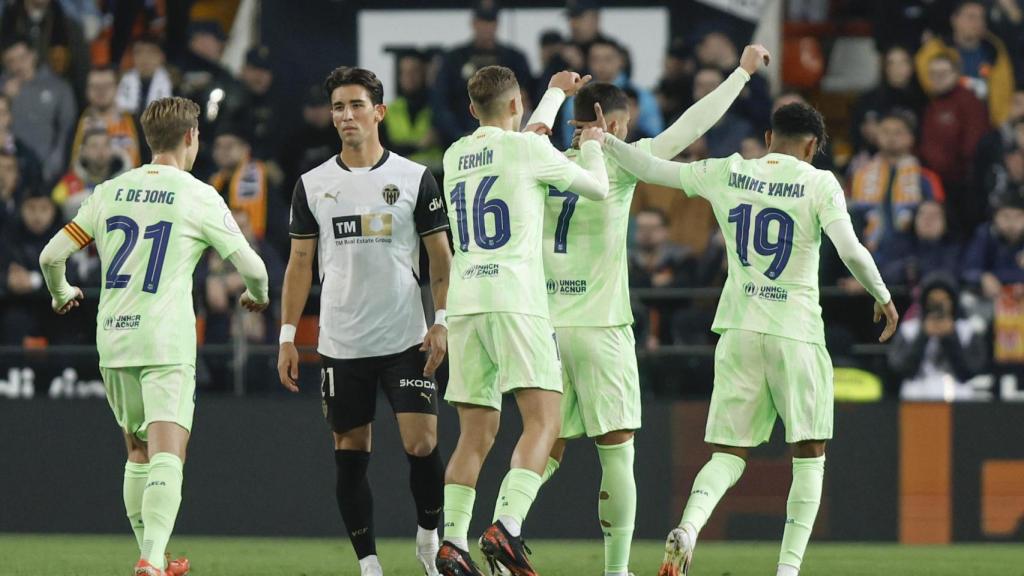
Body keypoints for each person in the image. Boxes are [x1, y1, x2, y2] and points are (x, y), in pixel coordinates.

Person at [598, 102, 898, 576]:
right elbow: (851, 250)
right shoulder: (820, 183)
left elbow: (652, 169)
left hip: (738, 329)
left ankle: (689, 528)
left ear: (769, 137)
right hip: (796, 332)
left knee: (728, 453)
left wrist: (606, 141)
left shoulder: (729, 171)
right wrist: (882, 295)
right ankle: (787, 570)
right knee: (810, 454)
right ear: (813, 147)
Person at [525, 45, 767, 576]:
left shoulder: (541, 163)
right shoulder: (619, 161)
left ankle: (503, 523)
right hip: (601, 325)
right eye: (626, 125)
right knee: (617, 451)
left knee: (544, 446)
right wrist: (742, 74)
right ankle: (617, 571)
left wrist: (550, 97)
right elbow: (690, 125)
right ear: (612, 124)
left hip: (544, 328)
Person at [37, 96, 270, 576]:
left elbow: (50, 257)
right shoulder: (197, 194)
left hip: (114, 338)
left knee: (137, 452)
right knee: (168, 454)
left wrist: (61, 293)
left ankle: (155, 556)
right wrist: (257, 295)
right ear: (191, 137)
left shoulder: (109, 191)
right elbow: (255, 268)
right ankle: (150, 561)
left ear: (147, 139)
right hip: (165, 341)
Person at [434, 65, 609, 576]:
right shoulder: (528, 150)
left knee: (474, 434)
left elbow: (525, 137)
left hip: (466, 303)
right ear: (515, 104)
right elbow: (597, 188)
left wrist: (554, 94)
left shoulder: (454, 154)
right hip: (515, 299)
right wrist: (594, 145)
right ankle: (506, 526)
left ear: (473, 110)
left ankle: (451, 542)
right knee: (545, 420)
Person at [276, 66, 452, 576]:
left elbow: (440, 258)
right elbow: (300, 264)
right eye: (338, 107)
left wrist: (442, 320)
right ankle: (369, 564)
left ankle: (428, 539)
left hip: (406, 338)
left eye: (356, 105)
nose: (346, 115)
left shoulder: (414, 177)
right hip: (342, 342)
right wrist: (287, 336)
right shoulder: (313, 184)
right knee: (351, 451)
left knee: (422, 443)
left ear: (379, 112)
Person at [431, 1, 532, 146]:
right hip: (461, 138)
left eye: (490, 22)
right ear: (473, 23)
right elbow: (440, 104)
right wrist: (460, 137)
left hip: (504, 140)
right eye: (482, 22)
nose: (486, 28)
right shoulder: (454, 59)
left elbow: (525, 101)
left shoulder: (515, 59)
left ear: (497, 24)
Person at [849, 111, 945, 250]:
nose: (891, 137)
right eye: (885, 132)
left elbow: (937, 218)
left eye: (898, 132)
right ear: (877, 136)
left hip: (913, 252)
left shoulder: (926, 178)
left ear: (911, 138)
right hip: (869, 251)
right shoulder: (861, 176)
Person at [915, 0, 1016, 126]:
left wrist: (999, 123)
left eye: (981, 18)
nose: (978, 22)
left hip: (987, 124)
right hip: (948, 121)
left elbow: (1004, 88)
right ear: (954, 20)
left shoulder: (994, 49)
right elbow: (930, 85)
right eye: (971, 17)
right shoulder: (935, 50)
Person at [888, 273, 987, 400]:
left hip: (957, 394)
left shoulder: (967, 330)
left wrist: (951, 336)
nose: (938, 306)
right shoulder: (909, 329)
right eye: (933, 301)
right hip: (917, 393)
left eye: (944, 300)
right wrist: (923, 335)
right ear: (924, 302)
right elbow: (900, 368)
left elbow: (970, 370)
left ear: (953, 302)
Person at [556, 38, 664, 149]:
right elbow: (568, 142)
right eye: (595, 59)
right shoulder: (576, 98)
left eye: (608, 59)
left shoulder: (643, 98)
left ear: (621, 61)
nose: (601, 65)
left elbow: (655, 139)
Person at [0, 36, 76, 183]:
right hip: (10, 172)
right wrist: (5, 96)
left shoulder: (58, 86)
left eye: (22, 58)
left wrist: (55, 163)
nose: (18, 66)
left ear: (33, 55)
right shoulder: (4, 89)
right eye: (11, 61)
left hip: (48, 169)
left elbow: (67, 128)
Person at [849, 45, 926, 156]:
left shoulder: (923, 100)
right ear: (884, 67)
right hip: (872, 157)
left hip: (913, 158)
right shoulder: (868, 100)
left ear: (912, 67)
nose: (897, 68)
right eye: (891, 63)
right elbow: (855, 136)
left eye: (903, 62)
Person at [875, 200, 961, 287]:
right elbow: (881, 273)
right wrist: (905, 269)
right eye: (923, 214)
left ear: (945, 222)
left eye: (934, 215)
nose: (928, 220)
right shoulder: (900, 243)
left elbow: (954, 275)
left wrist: (920, 270)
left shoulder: (955, 249)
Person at [382, 50, 443, 173]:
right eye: (404, 72)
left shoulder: (440, 110)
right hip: (397, 176)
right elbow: (382, 150)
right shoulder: (388, 111)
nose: (409, 77)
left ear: (425, 74)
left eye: (414, 71)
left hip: (434, 177)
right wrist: (419, 146)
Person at [71, 66, 143, 169]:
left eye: (106, 86)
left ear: (117, 88)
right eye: (95, 86)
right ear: (87, 90)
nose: (101, 91)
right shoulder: (75, 125)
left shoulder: (136, 123)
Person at [52, 127, 128, 220]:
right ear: (83, 151)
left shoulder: (129, 180)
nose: (101, 151)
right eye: (94, 146)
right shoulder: (67, 185)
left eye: (106, 145)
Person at [962, 193, 1024, 299]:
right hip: (991, 298)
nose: (1012, 223)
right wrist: (982, 277)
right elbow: (967, 270)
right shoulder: (985, 234)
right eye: (1005, 216)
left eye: (1018, 216)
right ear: (995, 218)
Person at [115, 35, 174, 118]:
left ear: (162, 56)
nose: (144, 57)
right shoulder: (118, 82)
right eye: (138, 52)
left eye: (151, 52)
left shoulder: (176, 85)